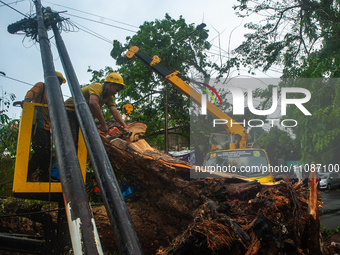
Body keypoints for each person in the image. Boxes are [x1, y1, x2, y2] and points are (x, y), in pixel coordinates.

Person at [64, 72, 129, 146]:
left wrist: (125, 126)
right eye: (116, 90)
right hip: (68, 111)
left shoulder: (109, 97)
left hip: (80, 114)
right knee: (72, 139)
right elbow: (93, 104)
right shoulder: (97, 87)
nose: (116, 93)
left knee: (84, 140)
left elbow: (114, 112)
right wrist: (103, 124)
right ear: (111, 85)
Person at [24, 71, 66, 182]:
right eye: (58, 82)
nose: (59, 85)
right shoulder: (41, 86)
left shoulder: (54, 95)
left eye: (60, 83)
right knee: (41, 150)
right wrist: (27, 101)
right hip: (38, 124)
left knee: (47, 152)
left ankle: (43, 176)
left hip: (48, 127)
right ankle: (28, 172)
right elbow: (31, 93)